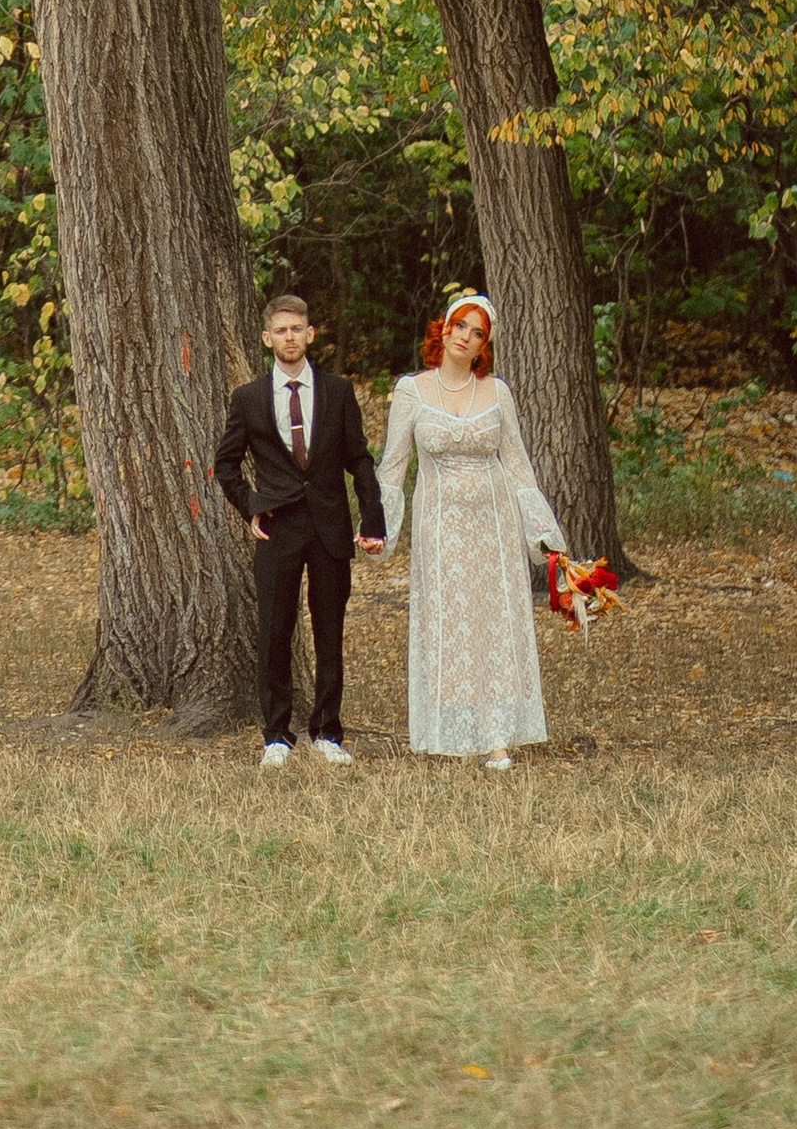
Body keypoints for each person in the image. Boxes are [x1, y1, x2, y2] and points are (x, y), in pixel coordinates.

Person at [375, 288, 568, 769]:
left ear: (485, 345)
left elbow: (519, 467)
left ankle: (497, 735)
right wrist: (380, 528)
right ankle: (456, 729)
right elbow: (393, 467)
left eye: (476, 332)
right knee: (451, 621)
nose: (464, 336)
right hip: (441, 523)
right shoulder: (411, 391)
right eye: (459, 325)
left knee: (494, 621)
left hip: (494, 522)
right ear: (443, 329)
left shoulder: (498, 393)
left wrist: (542, 535)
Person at [212, 290, 387, 769]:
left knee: (330, 631)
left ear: (310, 334)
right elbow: (225, 464)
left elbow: (359, 460)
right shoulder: (249, 398)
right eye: (280, 330)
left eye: (297, 329)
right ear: (267, 338)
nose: (289, 337)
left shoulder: (338, 392)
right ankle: (276, 736)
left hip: (330, 527)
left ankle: (328, 732)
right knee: (275, 631)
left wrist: (372, 519)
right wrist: (250, 505)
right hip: (278, 528)